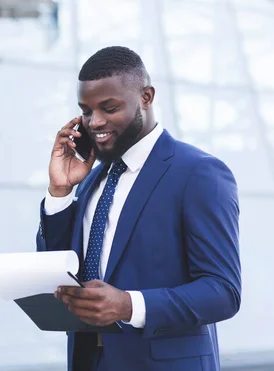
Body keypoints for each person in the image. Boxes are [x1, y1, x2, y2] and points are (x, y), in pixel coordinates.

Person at [36, 46, 241, 371]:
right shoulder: (90, 181)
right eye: (86, 111)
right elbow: (60, 270)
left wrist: (128, 305)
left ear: (146, 97)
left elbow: (223, 291)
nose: (95, 122)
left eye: (109, 108)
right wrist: (60, 192)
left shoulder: (198, 172)